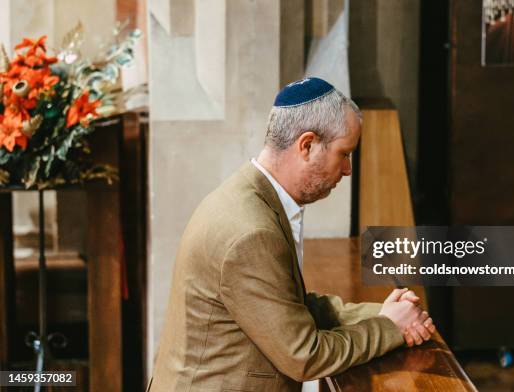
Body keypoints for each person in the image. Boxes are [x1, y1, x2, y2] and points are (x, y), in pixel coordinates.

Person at [147, 77, 435, 392]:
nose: (348, 169)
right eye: (344, 153)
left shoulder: (251, 196)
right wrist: (389, 327)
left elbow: (290, 305)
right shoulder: (249, 232)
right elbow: (305, 355)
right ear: (307, 145)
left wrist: (383, 312)